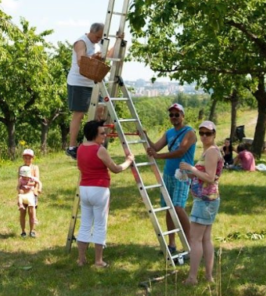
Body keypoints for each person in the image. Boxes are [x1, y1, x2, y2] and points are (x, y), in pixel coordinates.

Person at [76, 119, 134, 267]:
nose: (105, 135)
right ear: (94, 134)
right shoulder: (100, 150)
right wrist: (128, 161)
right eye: (102, 133)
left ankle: (81, 259)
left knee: (85, 224)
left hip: (84, 189)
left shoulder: (80, 148)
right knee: (100, 225)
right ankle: (98, 261)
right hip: (99, 190)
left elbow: (80, 167)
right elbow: (115, 169)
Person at [146, 103, 196, 256]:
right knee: (169, 207)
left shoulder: (190, 132)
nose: (174, 117)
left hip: (182, 174)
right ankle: (172, 243)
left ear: (183, 116)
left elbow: (181, 151)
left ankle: (191, 244)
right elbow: (156, 147)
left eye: (177, 114)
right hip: (168, 174)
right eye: (171, 115)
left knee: (178, 207)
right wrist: (145, 136)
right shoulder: (169, 133)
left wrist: (159, 156)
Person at [178, 120, 224, 285]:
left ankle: (192, 278)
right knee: (205, 239)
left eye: (208, 133)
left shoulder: (211, 152)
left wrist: (192, 169)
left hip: (205, 201)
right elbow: (204, 174)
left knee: (195, 239)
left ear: (214, 134)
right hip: (207, 199)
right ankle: (208, 276)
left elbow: (210, 178)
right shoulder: (208, 151)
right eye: (202, 133)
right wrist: (188, 174)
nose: (204, 136)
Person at [65, 23, 106, 159]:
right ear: (91, 32)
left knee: (100, 110)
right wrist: (93, 58)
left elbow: (108, 55)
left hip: (93, 82)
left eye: (100, 37)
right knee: (79, 114)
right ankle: (72, 147)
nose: (98, 40)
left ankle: (95, 143)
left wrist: (119, 41)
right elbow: (80, 61)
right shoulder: (81, 42)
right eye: (97, 36)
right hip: (78, 83)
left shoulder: (97, 44)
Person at [16, 159, 41, 238]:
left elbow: (38, 182)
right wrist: (19, 190)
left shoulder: (34, 171)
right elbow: (18, 186)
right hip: (23, 195)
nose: (24, 178)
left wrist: (38, 189)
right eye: (23, 176)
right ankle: (23, 231)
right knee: (22, 213)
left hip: (31, 195)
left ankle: (32, 231)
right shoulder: (21, 175)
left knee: (31, 212)